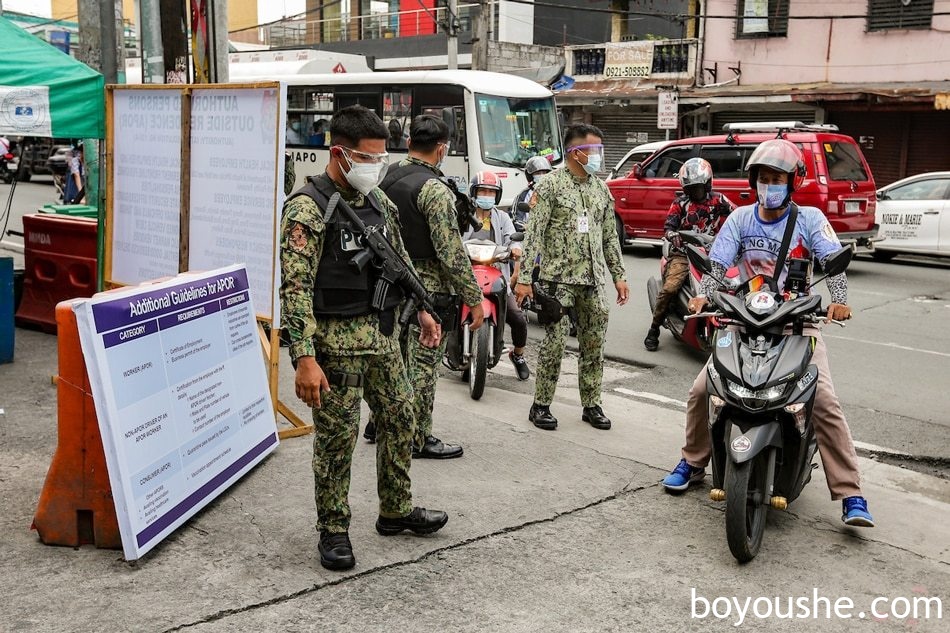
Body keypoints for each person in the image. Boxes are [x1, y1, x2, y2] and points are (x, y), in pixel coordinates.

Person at [661, 138, 874, 528]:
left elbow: (834, 264)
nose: (769, 185)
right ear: (753, 181)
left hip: (797, 324)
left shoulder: (809, 219)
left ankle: (851, 493)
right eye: (763, 178)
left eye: (777, 178)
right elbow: (717, 264)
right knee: (701, 390)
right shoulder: (740, 219)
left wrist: (838, 300)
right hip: (745, 318)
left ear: (792, 182)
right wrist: (703, 297)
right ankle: (692, 462)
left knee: (823, 400)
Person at [280, 105, 450, 572]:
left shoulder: (378, 200)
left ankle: (395, 510)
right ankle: (333, 528)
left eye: (381, 157)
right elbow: (293, 288)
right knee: (338, 439)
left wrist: (424, 312)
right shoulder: (307, 207)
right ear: (339, 153)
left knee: (401, 416)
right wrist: (303, 357)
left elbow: (400, 259)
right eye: (368, 158)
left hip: (382, 336)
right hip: (333, 345)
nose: (377, 166)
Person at [363, 114, 485, 459]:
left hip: (388, 286)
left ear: (408, 143)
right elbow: (451, 253)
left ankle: (378, 422)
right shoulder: (434, 189)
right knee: (421, 369)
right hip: (426, 293)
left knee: (392, 361)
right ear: (442, 149)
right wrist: (473, 298)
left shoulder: (387, 178)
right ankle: (417, 438)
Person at [514, 124, 629, 431]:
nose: (598, 157)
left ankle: (591, 404)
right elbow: (534, 235)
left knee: (594, 345)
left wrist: (618, 275)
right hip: (557, 281)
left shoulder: (600, 189)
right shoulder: (550, 186)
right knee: (554, 345)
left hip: (592, 282)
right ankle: (540, 405)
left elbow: (609, 237)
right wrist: (524, 278)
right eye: (594, 151)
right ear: (576, 152)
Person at [643, 157, 735, 351]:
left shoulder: (720, 200)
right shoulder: (680, 203)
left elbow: (736, 217)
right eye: (691, 188)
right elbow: (668, 227)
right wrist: (673, 235)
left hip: (716, 253)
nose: (695, 192)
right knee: (669, 288)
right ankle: (654, 329)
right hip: (684, 253)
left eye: (698, 187)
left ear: (707, 184)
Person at [462, 170, 531, 380]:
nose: (486, 196)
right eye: (483, 191)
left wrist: (516, 248)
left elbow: (513, 238)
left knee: (517, 318)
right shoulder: (464, 216)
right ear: (474, 193)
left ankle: (518, 355)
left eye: (491, 193)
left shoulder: (502, 218)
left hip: (495, 275)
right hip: (465, 275)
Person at [512, 155, 553, 225]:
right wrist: (527, 229)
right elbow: (517, 220)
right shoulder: (523, 195)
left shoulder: (556, 192)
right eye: (537, 173)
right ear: (530, 175)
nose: (541, 175)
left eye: (544, 172)